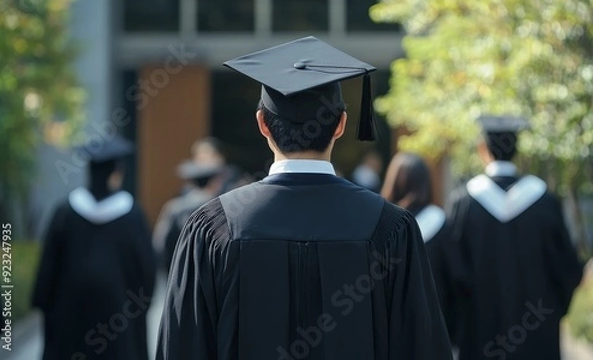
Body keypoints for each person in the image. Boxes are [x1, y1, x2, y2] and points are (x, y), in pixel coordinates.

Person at [156, 36, 452, 359]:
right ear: (341, 125)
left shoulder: (215, 229)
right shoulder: (390, 228)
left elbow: (182, 347)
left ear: (263, 124)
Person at [446, 115, 584, 360]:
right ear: (517, 149)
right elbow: (568, 269)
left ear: (483, 148)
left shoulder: (465, 203)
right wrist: (552, 310)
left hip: (480, 338)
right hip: (537, 339)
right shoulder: (544, 202)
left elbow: (452, 276)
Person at [32, 135, 156, 360]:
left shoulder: (66, 212)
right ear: (116, 173)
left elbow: (48, 270)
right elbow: (146, 272)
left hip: (69, 319)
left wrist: (43, 302)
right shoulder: (132, 216)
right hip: (119, 322)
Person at [380, 152, 456, 338]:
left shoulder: (380, 223)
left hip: (390, 331)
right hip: (434, 328)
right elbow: (456, 278)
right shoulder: (440, 224)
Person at [153, 161, 224, 272]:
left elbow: (161, 245)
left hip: (179, 269)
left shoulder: (174, 207)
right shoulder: (220, 209)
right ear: (214, 183)